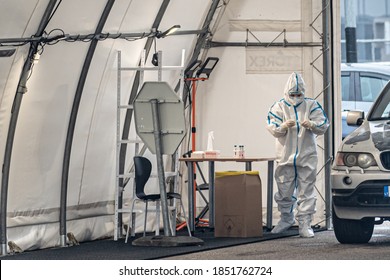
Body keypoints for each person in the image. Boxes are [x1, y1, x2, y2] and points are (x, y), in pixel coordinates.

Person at [266, 72, 329, 238]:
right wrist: (283, 126)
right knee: (284, 189)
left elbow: (323, 124)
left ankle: (305, 224)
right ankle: (286, 219)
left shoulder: (311, 105)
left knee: (306, 190)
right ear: (286, 93)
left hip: (306, 155)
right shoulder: (278, 107)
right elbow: (272, 127)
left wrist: (312, 124)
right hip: (285, 156)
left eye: (298, 94)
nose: (295, 97)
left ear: (303, 93)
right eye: (292, 94)